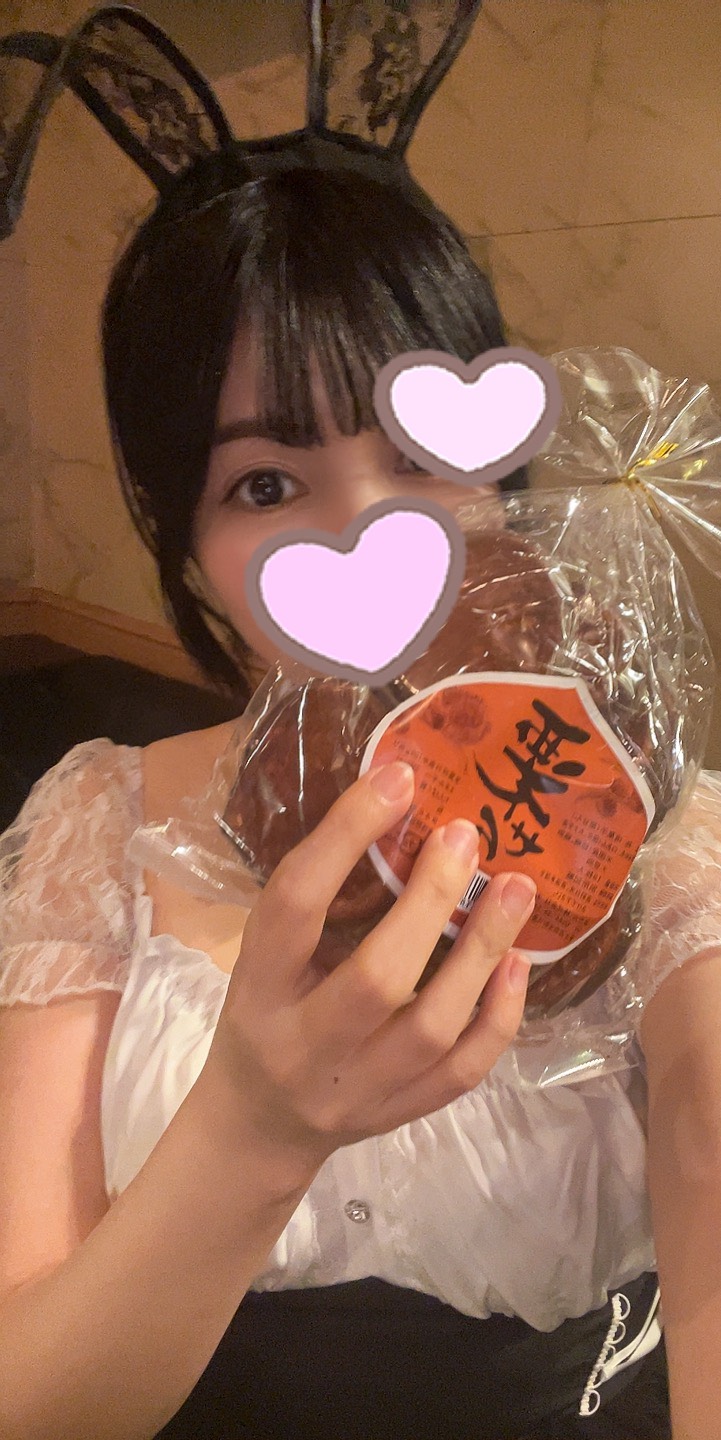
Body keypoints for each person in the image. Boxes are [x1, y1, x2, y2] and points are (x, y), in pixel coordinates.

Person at [1, 6, 721, 1440]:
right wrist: (254, 1129)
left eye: (423, 456)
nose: (372, 536)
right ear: (183, 540)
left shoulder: (644, 839)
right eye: (265, 484)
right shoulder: (101, 823)